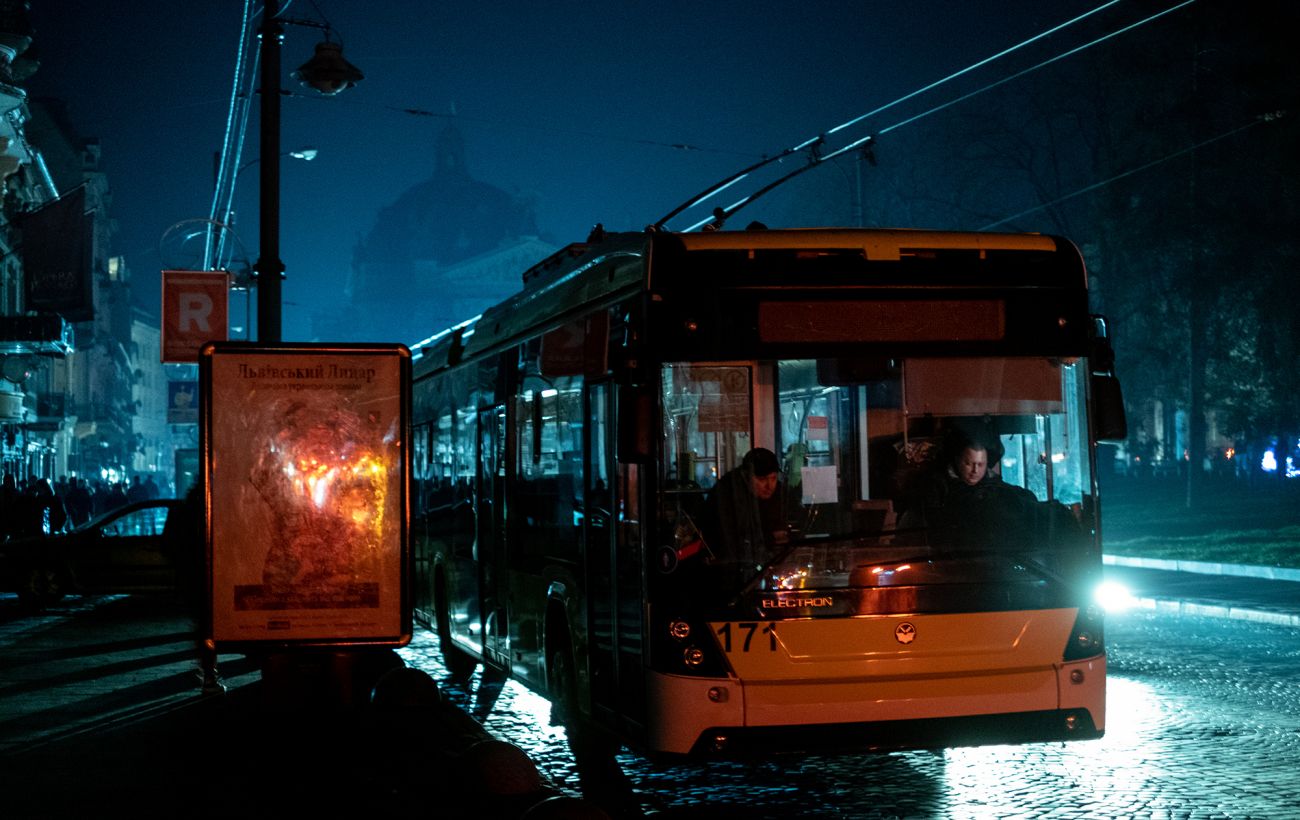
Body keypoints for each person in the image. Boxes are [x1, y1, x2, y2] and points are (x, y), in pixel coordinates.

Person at [698, 447, 787, 575]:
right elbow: (729, 540)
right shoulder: (727, 494)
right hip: (733, 570)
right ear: (746, 476)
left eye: (773, 478)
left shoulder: (780, 492)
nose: (769, 486)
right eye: (762, 479)